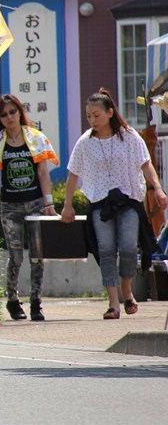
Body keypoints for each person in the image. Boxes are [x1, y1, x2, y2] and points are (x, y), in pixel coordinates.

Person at [61, 88, 168, 319]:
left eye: (96, 115)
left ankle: (127, 289)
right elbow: (73, 174)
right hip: (100, 203)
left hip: (128, 200)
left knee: (129, 247)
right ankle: (113, 302)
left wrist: (158, 188)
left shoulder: (129, 136)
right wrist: (67, 204)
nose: (92, 120)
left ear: (110, 113)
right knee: (106, 250)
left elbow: (146, 164)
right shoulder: (85, 142)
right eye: (88, 116)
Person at [0, 94, 60, 321]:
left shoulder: (35, 138)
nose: (9, 117)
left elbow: (43, 173)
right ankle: (12, 299)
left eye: (13, 112)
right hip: (10, 207)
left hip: (34, 205)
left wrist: (49, 203)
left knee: (37, 255)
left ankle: (36, 302)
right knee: (16, 256)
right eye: (4, 114)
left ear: (20, 112)